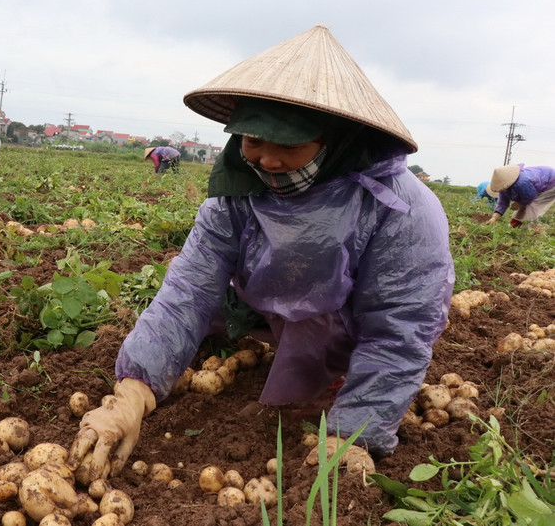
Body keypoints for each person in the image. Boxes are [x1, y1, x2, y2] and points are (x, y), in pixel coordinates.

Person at [67, 24, 454, 481]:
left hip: (350, 324)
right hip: (256, 304)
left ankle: (336, 376)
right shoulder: (235, 192)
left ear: (336, 138)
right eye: (253, 141)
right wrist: (131, 394)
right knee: (199, 315)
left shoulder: (400, 210)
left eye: (287, 144)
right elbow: (190, 287)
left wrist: (355, 432)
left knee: (342, 343)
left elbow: (400, 326)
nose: (267, 161)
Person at [486, 164, 555, 228]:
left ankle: (532, 229)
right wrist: (494, 217)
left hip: (552, 182)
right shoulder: (503, 186)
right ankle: (515, 226)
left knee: (533, 205)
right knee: (524, 205)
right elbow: (502, 202)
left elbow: (529, 197)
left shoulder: (522, 182)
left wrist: (518, 203)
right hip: (540, 184)